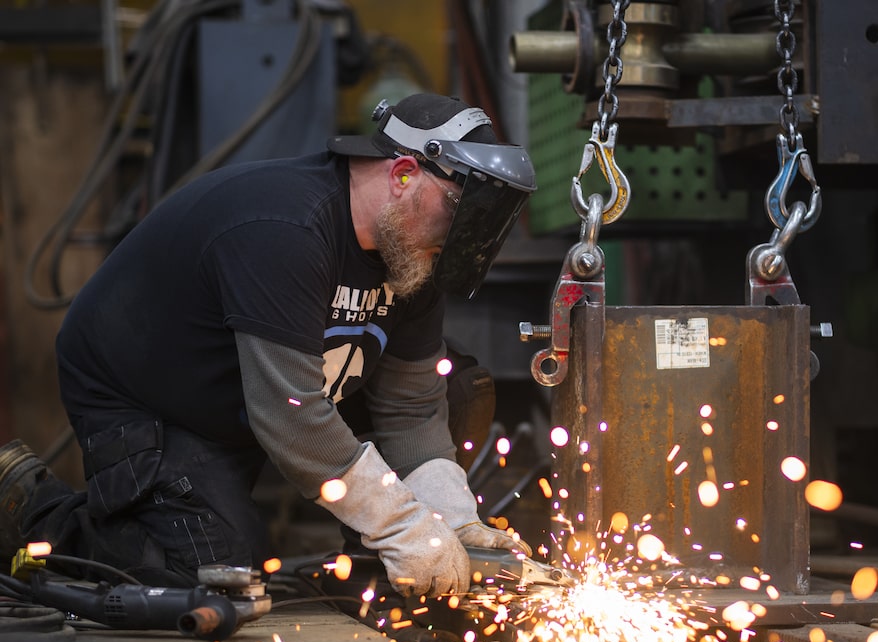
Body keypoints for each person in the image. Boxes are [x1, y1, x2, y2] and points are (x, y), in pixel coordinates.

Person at [0, 93, 537, 596]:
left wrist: (454, 522)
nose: (459, 237)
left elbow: (413, 407)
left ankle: (378, 572)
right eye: (456, 209)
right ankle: (32, 512)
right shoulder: (286, 228)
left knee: (460, 388)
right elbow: (292, 417)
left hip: (253, 399)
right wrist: (402, 526)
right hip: (147, 397)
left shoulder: (411, 252)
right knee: (218, 572)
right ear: (403, 174)